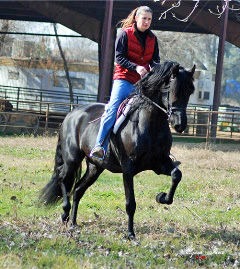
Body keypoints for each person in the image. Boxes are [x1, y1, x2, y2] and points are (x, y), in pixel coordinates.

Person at [90, 6, 160, 160]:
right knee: (113, 108)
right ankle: (100, 145)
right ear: (136, 18)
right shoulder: (124, 34)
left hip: (142, 83)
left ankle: (161, 150)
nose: (147, 22)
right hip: (124, 79)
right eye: (144, 18)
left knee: (156, 110)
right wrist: (136, 67)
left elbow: (156, 61)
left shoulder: (153, 39)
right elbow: (119, 58)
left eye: (149, 19)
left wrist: (153, 69)